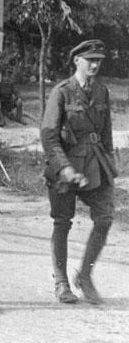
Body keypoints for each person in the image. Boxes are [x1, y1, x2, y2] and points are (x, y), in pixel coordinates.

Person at [41, 39, 116, 305]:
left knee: (105, 218)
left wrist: (110, 164)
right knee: (63, 222)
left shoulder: (102, 92)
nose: (95, 65)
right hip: (65, 167)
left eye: (98, 60)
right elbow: (49, 137)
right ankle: (61, 282)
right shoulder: (61, 92)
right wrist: (65, 168)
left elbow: (105, 133)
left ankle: (85, 275)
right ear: (77, 61)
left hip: (95, 166)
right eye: (90, 60)